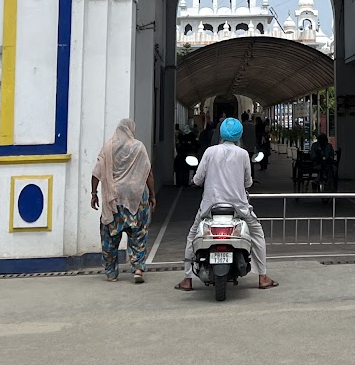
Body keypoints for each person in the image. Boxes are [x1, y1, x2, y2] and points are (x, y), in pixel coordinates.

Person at [176, 116, 277, 291]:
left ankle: (187, 279)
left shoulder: (209, 152)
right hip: (238, 208)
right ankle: (262, 276)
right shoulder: (243, 154)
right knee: (257, 234)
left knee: (193, 236)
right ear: (239, 135)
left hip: (210, 207)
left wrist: (197, 181)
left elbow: (198, 179)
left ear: (220, 133)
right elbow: (248, 182)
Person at [91, 118, 155, 283]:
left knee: (109, 237)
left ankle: (111, 273)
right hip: (136, 198)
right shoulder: (138, 147)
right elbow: (148, 173)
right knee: (138, 234)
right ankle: (138, 269)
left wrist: (93, 193)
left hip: (114, 198)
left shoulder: (108, 147)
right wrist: (153, 195)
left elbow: (96, 172)